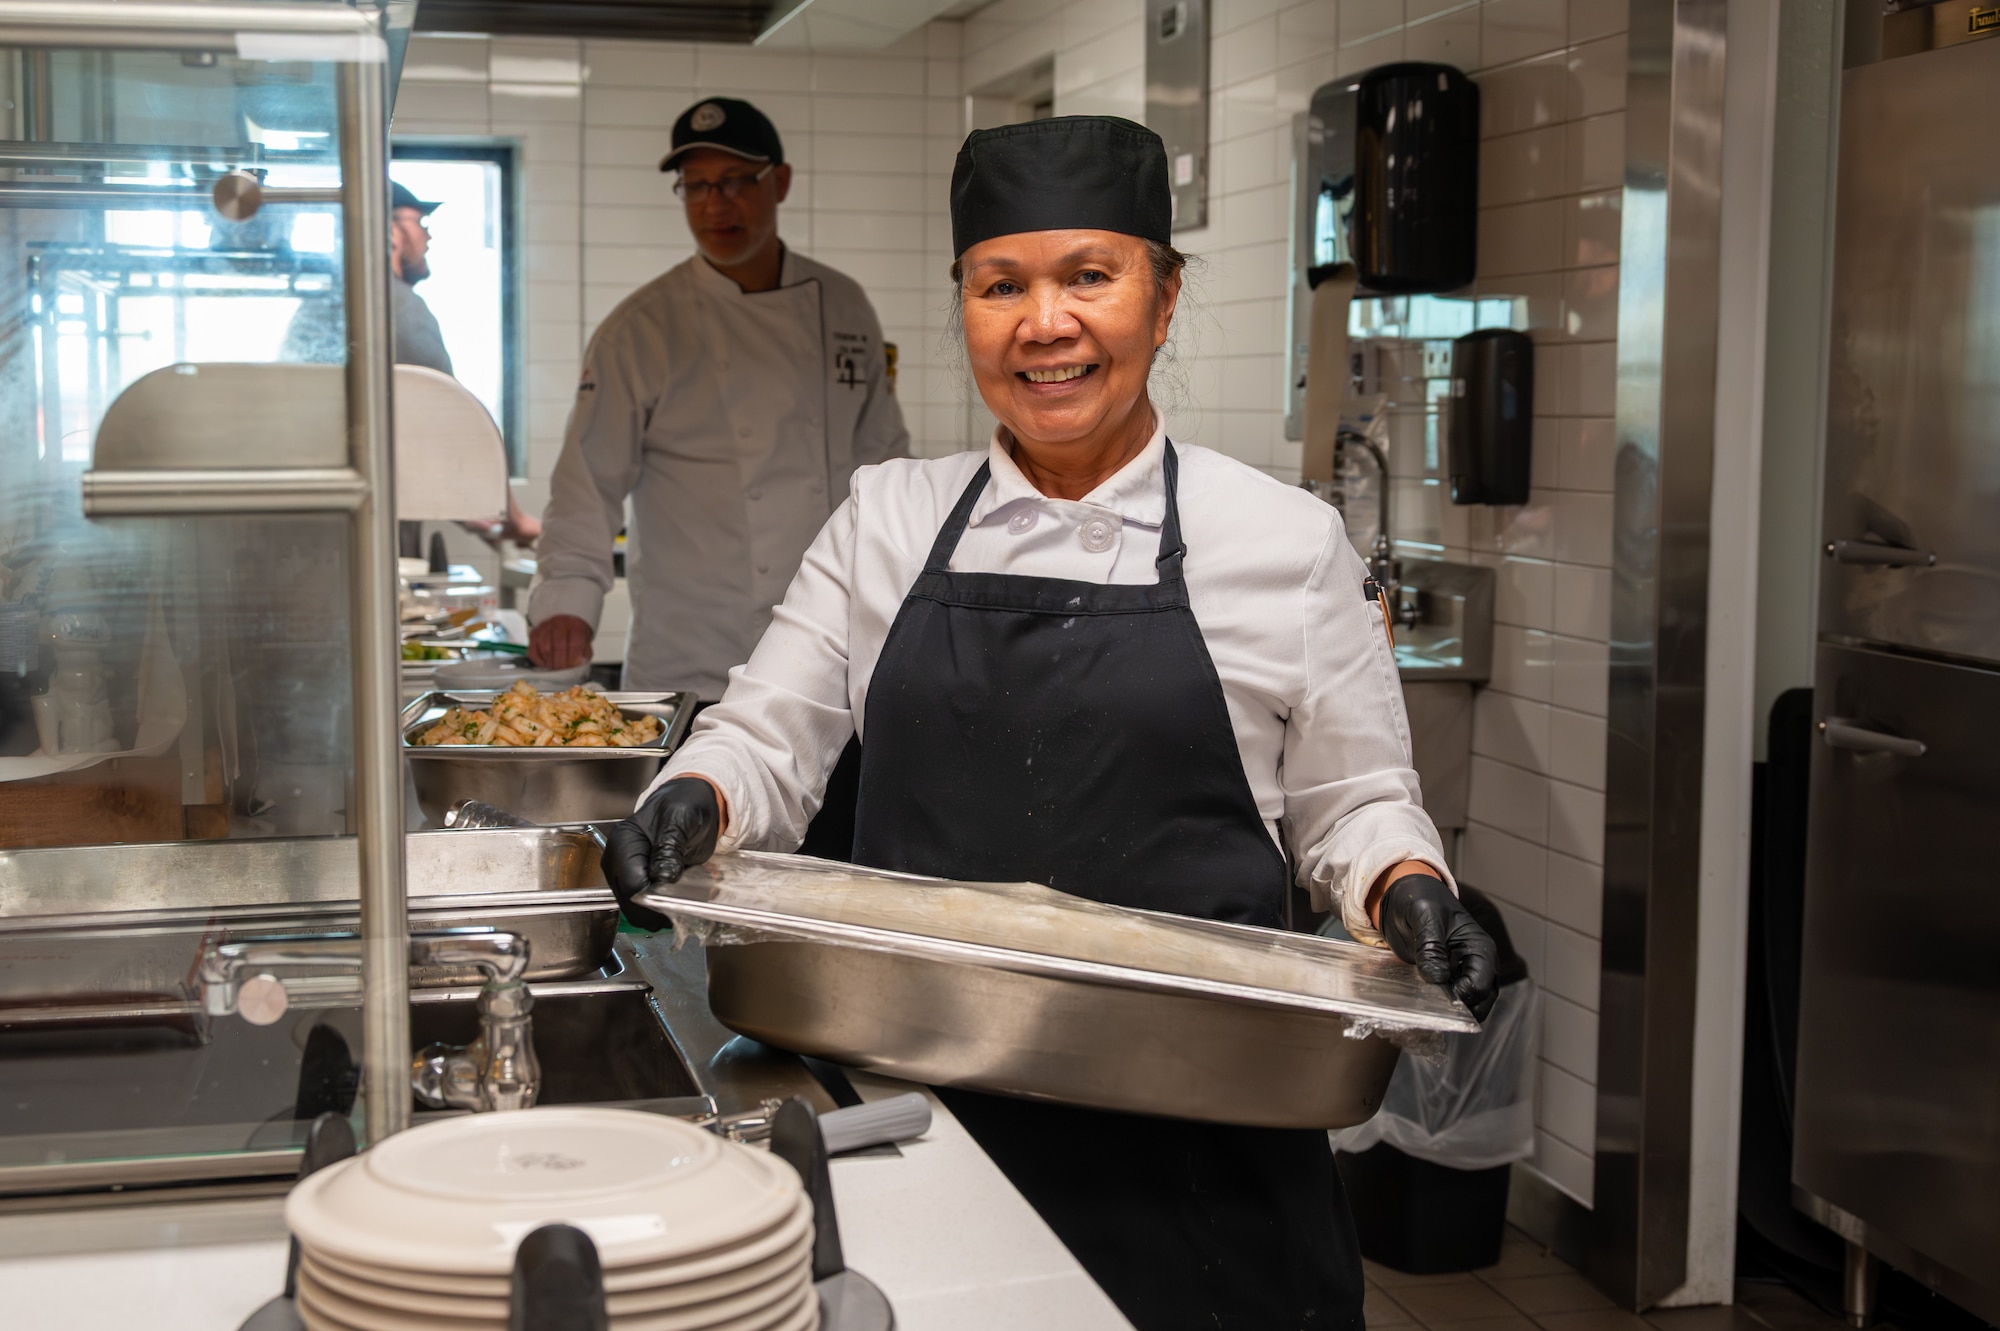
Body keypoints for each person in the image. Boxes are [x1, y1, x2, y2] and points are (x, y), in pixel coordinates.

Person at [599, 116, 1499, 1330]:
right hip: (922, 1124)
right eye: (1000, 284)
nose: (1044, 323)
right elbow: (769, 734)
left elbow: (1352, 803)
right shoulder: (886, 516)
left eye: (1089, 275)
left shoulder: (1279, 541)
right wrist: (693, 798)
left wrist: (1406, 883)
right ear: (963, 305)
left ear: (1162, 299)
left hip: (1205, 1158)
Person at [527, 97, 909, 699]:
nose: (714, 204)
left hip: (834, 659)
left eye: (734, 181)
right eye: (696, 186)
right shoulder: (641, 329)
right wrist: (566, 602)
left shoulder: (844, 306)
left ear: (779, 182)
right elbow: (586, 485)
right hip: (693, 662)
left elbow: (887, 468)